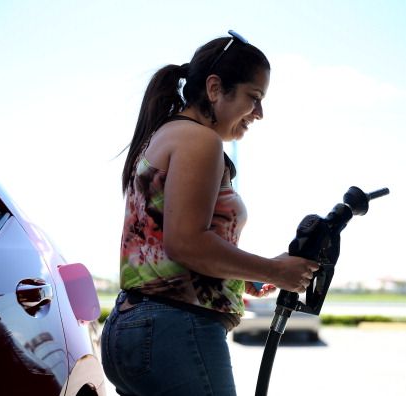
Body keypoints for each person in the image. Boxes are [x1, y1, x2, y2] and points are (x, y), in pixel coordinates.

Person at [101, 30, 319, 396]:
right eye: (254, 97)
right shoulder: (200, 140)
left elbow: (174, 246)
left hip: (133, 327)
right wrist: (275, 270)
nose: (260, 113)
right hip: (175, 330)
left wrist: (241, 276)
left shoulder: (167, 134)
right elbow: (186, 243)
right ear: (215, 88)